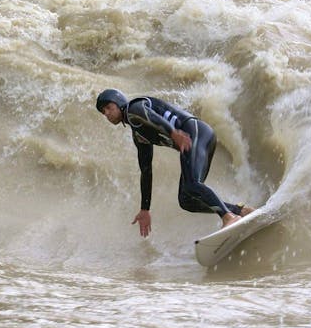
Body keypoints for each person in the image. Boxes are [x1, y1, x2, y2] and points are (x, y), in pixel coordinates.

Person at [95, 89, 253, 237]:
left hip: (196, 133)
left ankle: (228, 217)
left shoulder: (133, 108)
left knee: (192, 184)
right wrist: (145, 209)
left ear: (119, 102)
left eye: (109, 107)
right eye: (103, 112)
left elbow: (150, 116)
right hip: (192, 143)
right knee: (186, 200)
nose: (107, 114)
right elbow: (146, 170)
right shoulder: (139, 135)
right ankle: (241, 211)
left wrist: (172, 132)